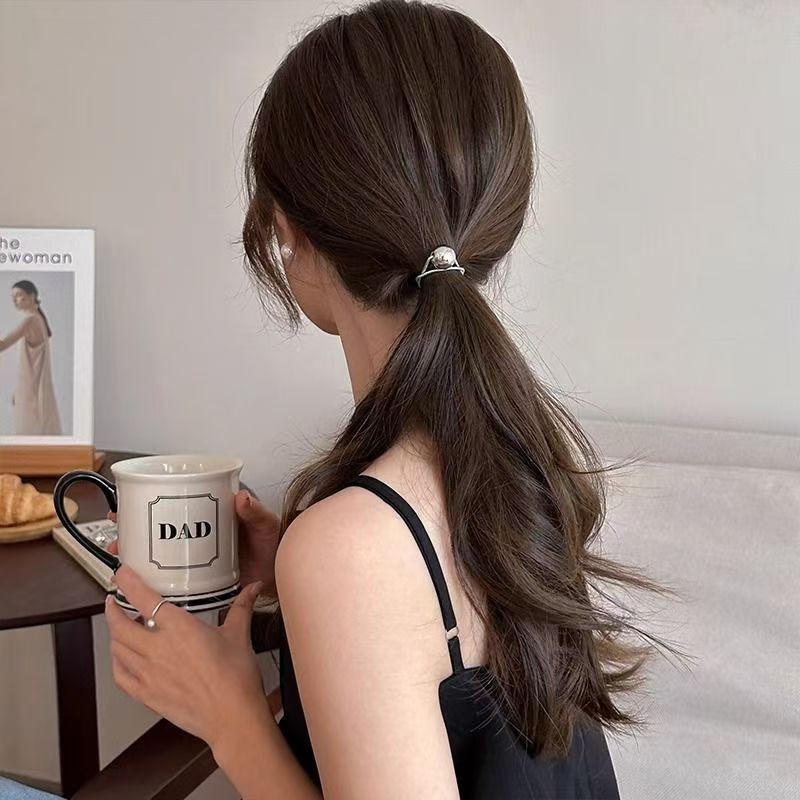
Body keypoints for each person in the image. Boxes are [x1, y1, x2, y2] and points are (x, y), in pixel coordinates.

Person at [6, 2, 676, 798]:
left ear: (288, 232)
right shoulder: (519, 451)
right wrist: (299, 588)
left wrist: (228, 716)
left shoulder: (357, 544)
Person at [0, 279, 62, 436]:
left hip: (31, 393)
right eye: (13, 297)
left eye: (19, 295)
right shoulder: (38, 318)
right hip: (31, 389)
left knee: (28, 433)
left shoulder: (31, 320)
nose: (15, 300)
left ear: (32, 296)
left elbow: (3, 344)